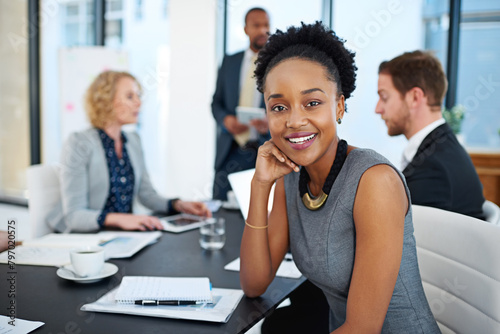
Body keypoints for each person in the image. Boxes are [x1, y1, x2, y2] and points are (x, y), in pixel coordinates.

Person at [240, 22, 440, 333]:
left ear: (339, 106)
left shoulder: (374, 182)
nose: (294, 121)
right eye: (279, 107)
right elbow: (254, 283)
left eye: (312, 103)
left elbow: (362, 329)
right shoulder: (291, 177)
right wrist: (260, 185)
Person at [48, 71, 211, 233]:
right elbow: (74, 216)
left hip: (121, 236)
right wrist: (123, 219)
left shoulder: (133, 141)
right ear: (106, 101)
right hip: (84, 240)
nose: (139, 103)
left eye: (138, 96)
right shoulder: (79, 143)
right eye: (130, 96)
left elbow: (146, 194)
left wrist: (178, 204)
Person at [376, 50, 485, 219]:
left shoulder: (434, 169)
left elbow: (397, 236)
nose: (378, 109)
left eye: (384, 97)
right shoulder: (442, 148)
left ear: (414, 97)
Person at [211, 7, 271, 201]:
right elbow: (216, 102)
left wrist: (271, 123)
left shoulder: (278, 65)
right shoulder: (230, 62)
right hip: (230, 150)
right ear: (246, 29)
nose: (263, 30)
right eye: (256, 25)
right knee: (220, 209)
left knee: (260, 213)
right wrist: (225, 120)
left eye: (266, 25)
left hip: (263, 150)